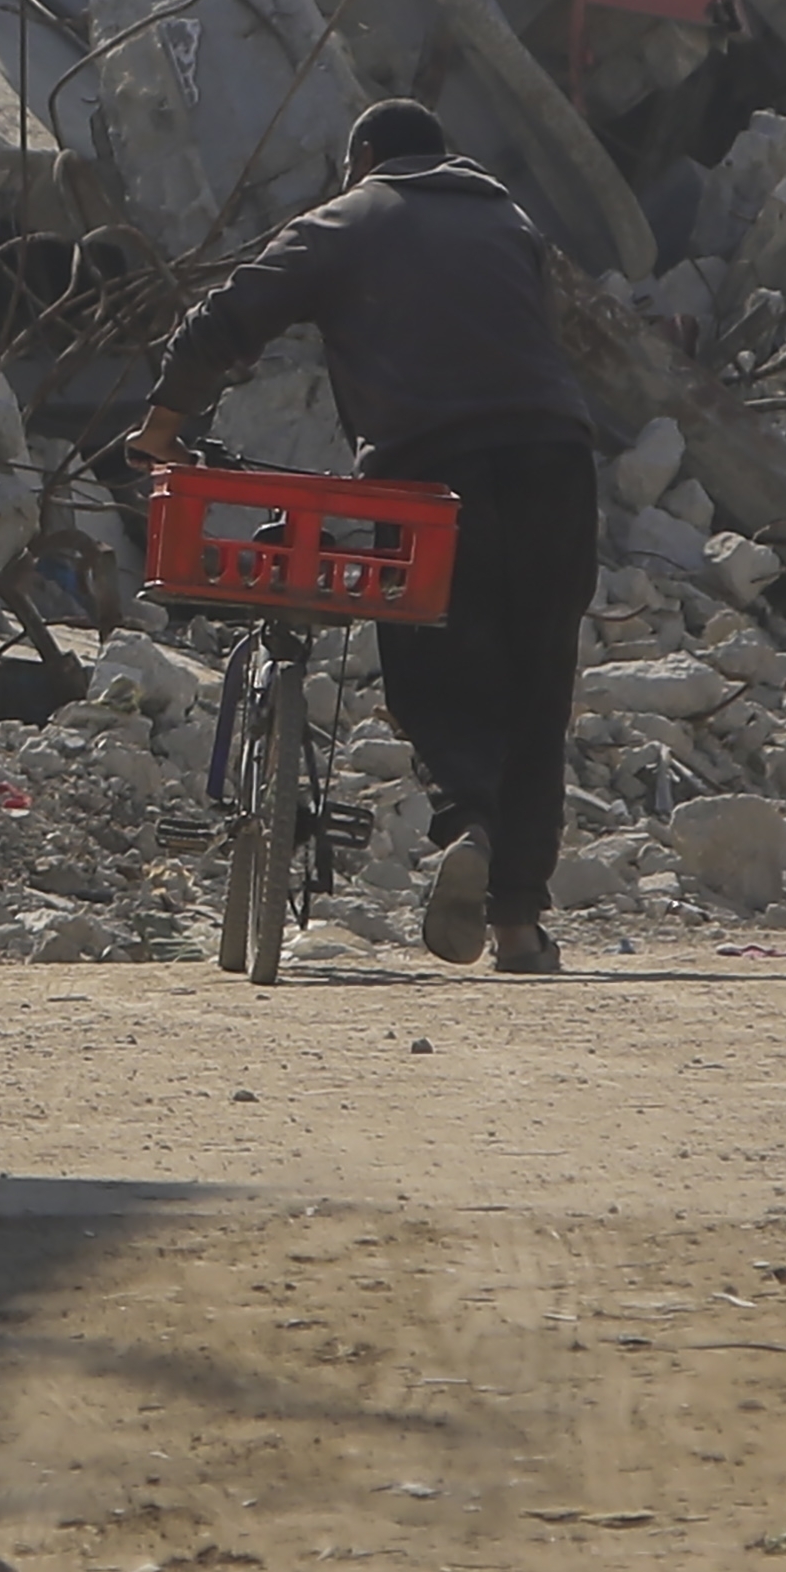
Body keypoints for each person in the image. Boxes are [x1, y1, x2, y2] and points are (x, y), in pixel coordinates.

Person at [132, 97, 612, 978]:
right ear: (444, 155)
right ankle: (516, 928)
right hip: (558, 460)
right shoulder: (510, 220)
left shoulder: (350, 219)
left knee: (433, 653)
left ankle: (466, 817)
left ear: (362, 160)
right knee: (539, 678)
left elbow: (232, 316)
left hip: (433, 474)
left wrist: (164, 425)